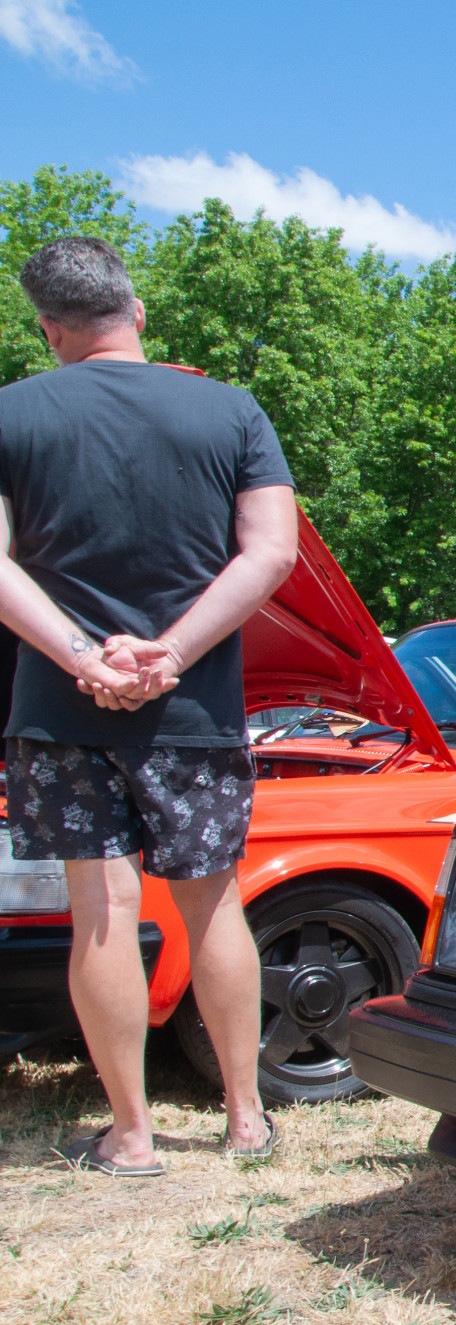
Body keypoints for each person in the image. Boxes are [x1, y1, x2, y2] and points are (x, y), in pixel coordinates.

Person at [0, 237, 297, 1176]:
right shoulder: (231, 411)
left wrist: (88, 657)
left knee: (102, 911)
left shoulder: (10, 414)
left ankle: (131, 1137)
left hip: (62, 705)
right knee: (214, 909)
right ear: (137, 313)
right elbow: (271, 554)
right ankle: (246, 1118)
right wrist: (170, 653)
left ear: (50, 330)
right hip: (194, 709)